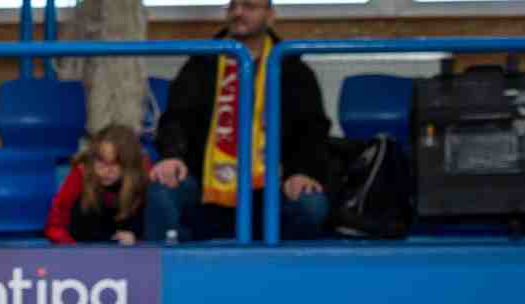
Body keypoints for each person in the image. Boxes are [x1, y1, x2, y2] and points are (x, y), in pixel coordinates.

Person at [146, 0, 330, 243]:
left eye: (249, 6)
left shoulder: (292, 68)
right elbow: (176, 118)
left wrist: (302, 172)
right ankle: (178, 266)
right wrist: (173, 156)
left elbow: (312, 130)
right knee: (161, 193)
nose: (238, 12)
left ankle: (281, 266)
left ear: (271, 15)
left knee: (311, 205)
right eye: (233, 6)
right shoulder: (202, 63)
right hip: (206, 182)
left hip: (274, 184)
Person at [45, 125, 147, 246]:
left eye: (115, 163)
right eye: (101, 161)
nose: (106, 171)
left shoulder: (140, 177)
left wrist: (135, 240)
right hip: (80, 246)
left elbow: (148, 235)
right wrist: (72, 248)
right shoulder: (80, 174)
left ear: (129, 164)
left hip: (122, 251)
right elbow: (55, 225)